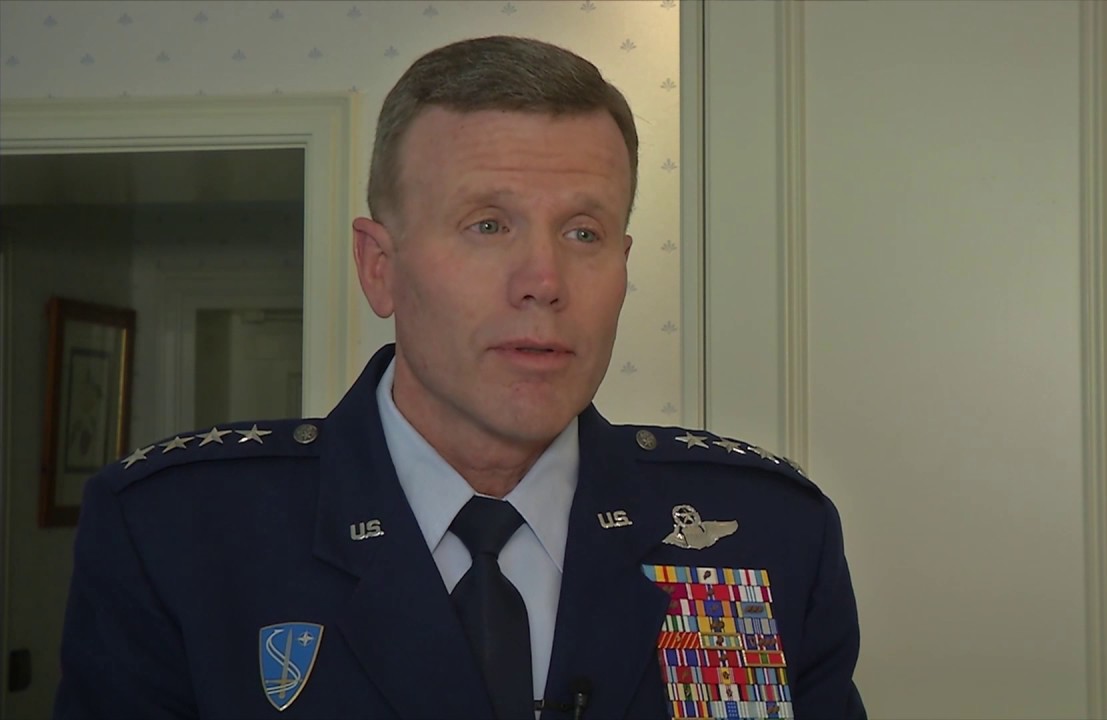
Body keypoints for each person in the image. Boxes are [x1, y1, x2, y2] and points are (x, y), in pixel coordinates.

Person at [53, 36, 867, 720]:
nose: (543, 281)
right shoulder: (177, 534)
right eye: (487, 225)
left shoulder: (771, 533)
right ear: (380, 266)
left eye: (583, 232)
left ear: (623, 266)